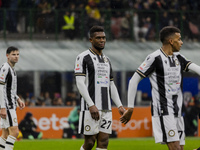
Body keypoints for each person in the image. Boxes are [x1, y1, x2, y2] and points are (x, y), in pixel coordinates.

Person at [120, 26, 200, 150]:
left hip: (178, 111)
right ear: (171, 41)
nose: (182, 42)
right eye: (179, 39)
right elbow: (134, 80)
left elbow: (197, 69)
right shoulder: (154, 58)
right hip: (163, 109)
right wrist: (130, 107)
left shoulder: (179, 57)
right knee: (176, 148)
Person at [74, 25, 125, 150]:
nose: (102, 40)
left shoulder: (107, 60)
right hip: (90, 107)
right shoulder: (83, 57)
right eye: (98, 38)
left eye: (104, 38)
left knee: (104, 143)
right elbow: (80, 83)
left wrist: (119, 105)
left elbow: (111, 84)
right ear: (91, 40)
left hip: (106, 108)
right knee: (90, 142)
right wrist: (91, 105)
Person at [0, 46, 25, 150]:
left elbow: (9, 89)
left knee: (5, 134)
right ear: (7, 55)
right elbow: (0, 88)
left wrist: (17, 99)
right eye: (13, 54)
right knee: (14, 132)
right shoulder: (5, 68)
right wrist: (2, 107)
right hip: (7, 105)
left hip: (10, 103)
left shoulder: (12, 69)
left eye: (17, 54)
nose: (16, 57)